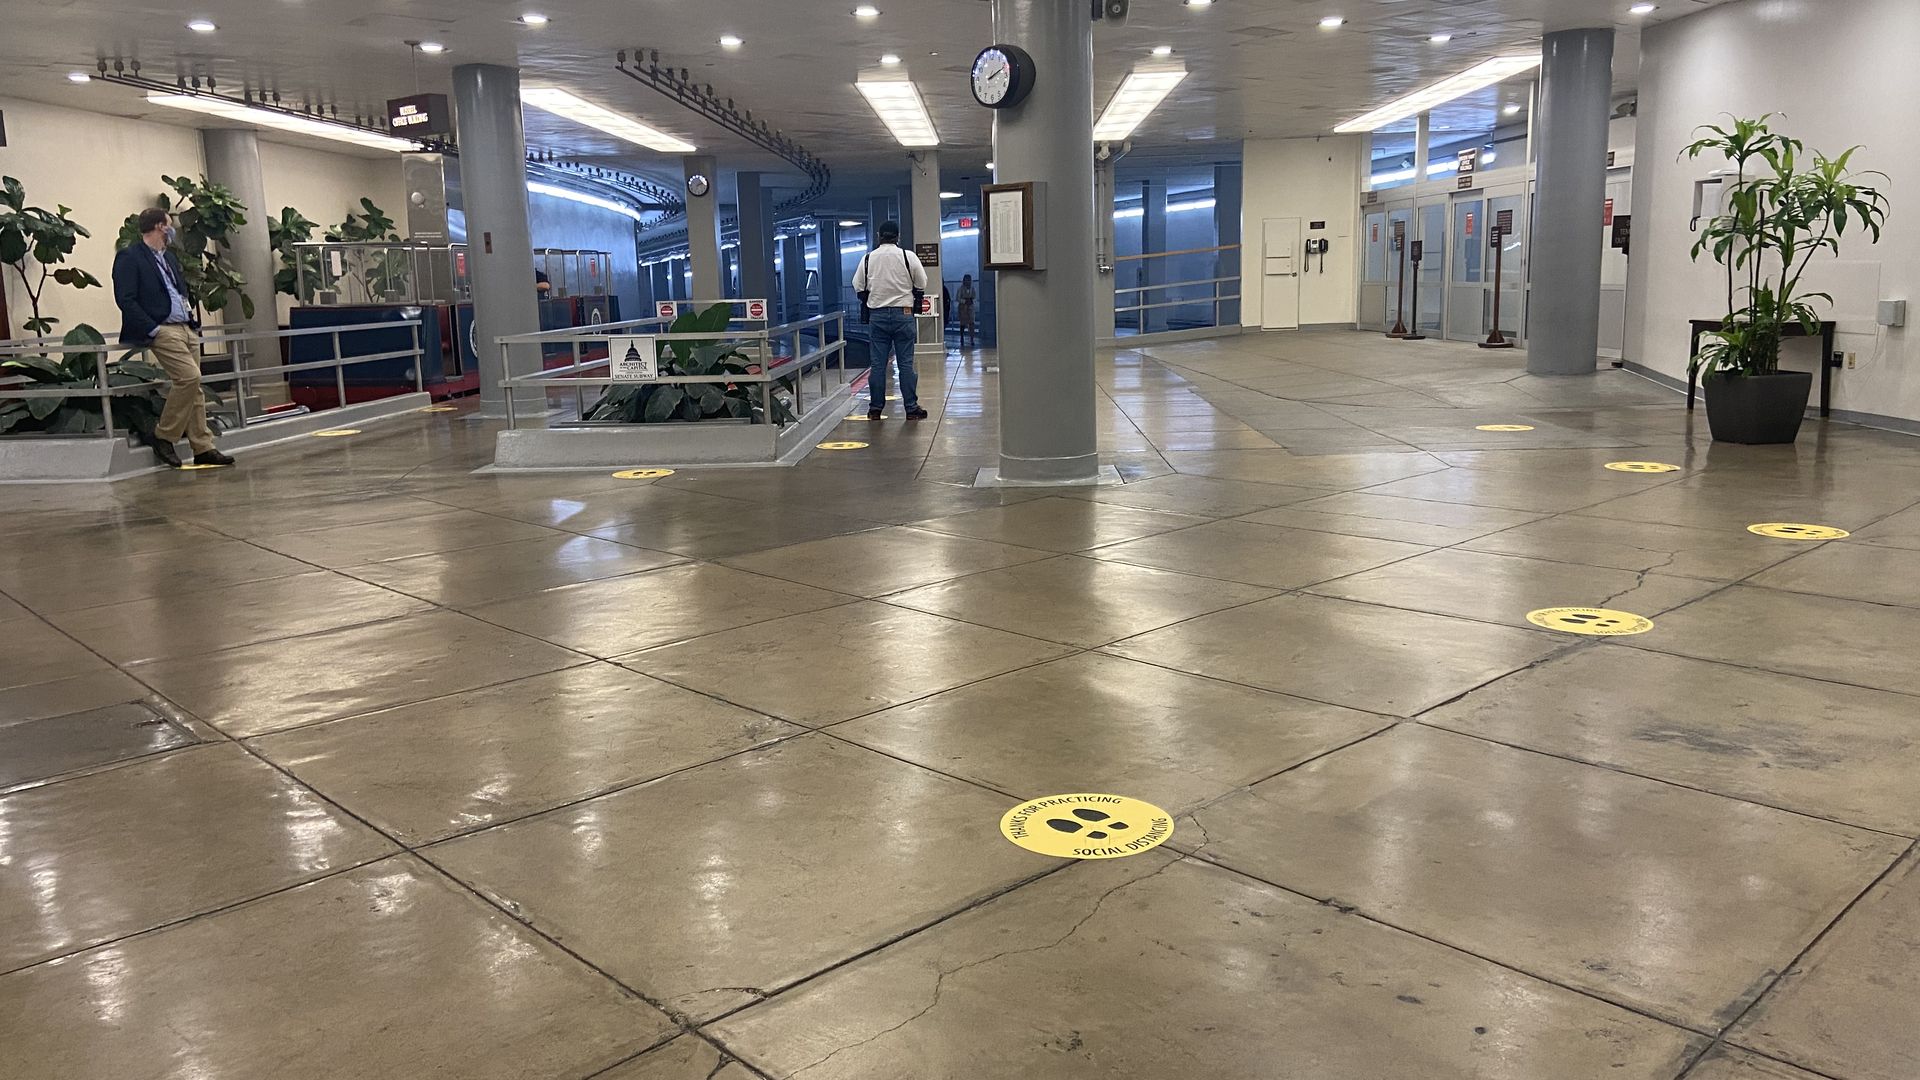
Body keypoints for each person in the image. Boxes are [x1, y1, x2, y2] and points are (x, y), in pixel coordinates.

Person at [112, 208, 232, 468]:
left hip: (185, 327)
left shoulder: (168, 258)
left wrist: (192, 324)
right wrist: (153, 329)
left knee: (195, 389)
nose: (173, 229)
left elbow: (178, 292)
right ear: (159, 227)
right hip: (162, 330)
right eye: (169, 224)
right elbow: (126, 299)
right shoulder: (130, 257)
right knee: (189, 377)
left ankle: (203, 446)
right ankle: (163, 435)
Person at [851, 221, 929, 421]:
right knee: (905, 365)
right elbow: (922, 282)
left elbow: (858, 286)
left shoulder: (868, 259)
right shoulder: (907, 256)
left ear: (879, 236)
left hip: (877, 316)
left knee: (877, 365)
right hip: (903, 314)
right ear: (898, 237)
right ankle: (911, 408)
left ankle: (875, 409)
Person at [956, 273, 978, 349]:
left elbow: (975, 297)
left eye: (969, 280)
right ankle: (962, 338)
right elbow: (958, 298)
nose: (968, 281)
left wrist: (971, 301)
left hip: (970, 307)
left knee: (972, 323)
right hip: (963, 307)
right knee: (963, 323)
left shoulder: (972, 288)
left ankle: (972, 339)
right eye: (966, 280)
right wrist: (965, 301)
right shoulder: (960, 288)